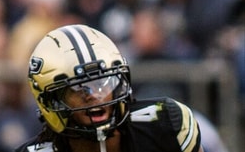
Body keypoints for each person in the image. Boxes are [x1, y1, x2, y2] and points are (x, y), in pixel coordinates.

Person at [16, 23, 204, 152]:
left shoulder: (165, 125)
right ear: (52, 102)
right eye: (79, 89)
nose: (95, 95)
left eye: (103, 83)